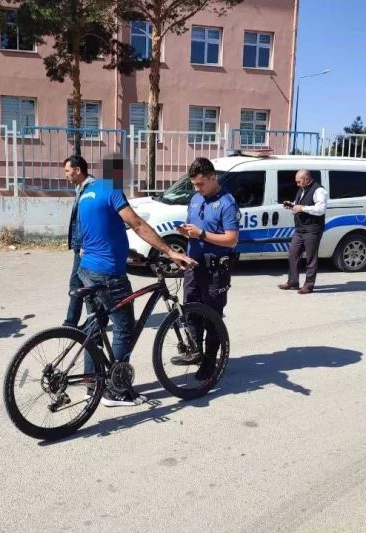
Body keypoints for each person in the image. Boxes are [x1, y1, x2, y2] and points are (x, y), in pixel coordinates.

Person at [76, 156, 197, 407]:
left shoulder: (89, 191)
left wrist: (131, 254)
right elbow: (138, 224)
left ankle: (92, 382)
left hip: (88, 269)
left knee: (95, 326)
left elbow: (102, 232)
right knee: (124, 328)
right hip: (109, 274)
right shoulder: (112, 190)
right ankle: (115, 391)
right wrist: (170, 251)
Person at [170, 157, 240, 380]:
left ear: (213, 177)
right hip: (193, 265)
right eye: (194, 185)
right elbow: (194, 227)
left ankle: (211, 361)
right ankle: (195, 352)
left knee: (212, 317)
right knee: (190, 313)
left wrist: (201, 234)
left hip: (215, 270)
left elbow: (231, 240)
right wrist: (185, 232)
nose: (197, 188)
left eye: (200, 184)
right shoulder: (196, 199)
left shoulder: (227, 203)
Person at [279, 169, 328, 294]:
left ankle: (309, 285)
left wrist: (303, 208)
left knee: (311, 259)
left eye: (299, 181)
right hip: (300, 228)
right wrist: (292, 205)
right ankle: (293, 282)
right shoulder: (302, 189)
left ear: (306, 179)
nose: (297, 184)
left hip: (312, 229)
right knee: (293, 255)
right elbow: (300, 204)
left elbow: (321, 209)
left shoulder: (319, 190)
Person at [62, 155, 95, 328]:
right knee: (80, 283)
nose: (66, 175)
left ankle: (75, 322)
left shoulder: (91, 190)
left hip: (86, 247)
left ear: (77, 170)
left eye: (68, 171)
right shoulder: (80, 188)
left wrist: (85, 244)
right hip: (81, 246)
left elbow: (90, 220)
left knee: (82, 284)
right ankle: (79, 321)